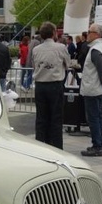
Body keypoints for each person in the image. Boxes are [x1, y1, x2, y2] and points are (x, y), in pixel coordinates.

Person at [30, 21, 71, 149]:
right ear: (54, 33)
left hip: (40, 85)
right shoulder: (60, 48)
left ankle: (41, 145)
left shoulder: (36, 49)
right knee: (56, 118)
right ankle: (57, 147)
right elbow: (68, 63)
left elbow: (34, 65)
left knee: (41, 118)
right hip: (55, 84)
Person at [80, 23, 102, 157]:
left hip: (93, 89)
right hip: (97, 88)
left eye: (90, 31)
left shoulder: (96, 50)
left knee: (93, 118)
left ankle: (97, 146)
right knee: (98, 117)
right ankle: (100, 144)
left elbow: (101, 70)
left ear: (97, 35)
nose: (87, 33)